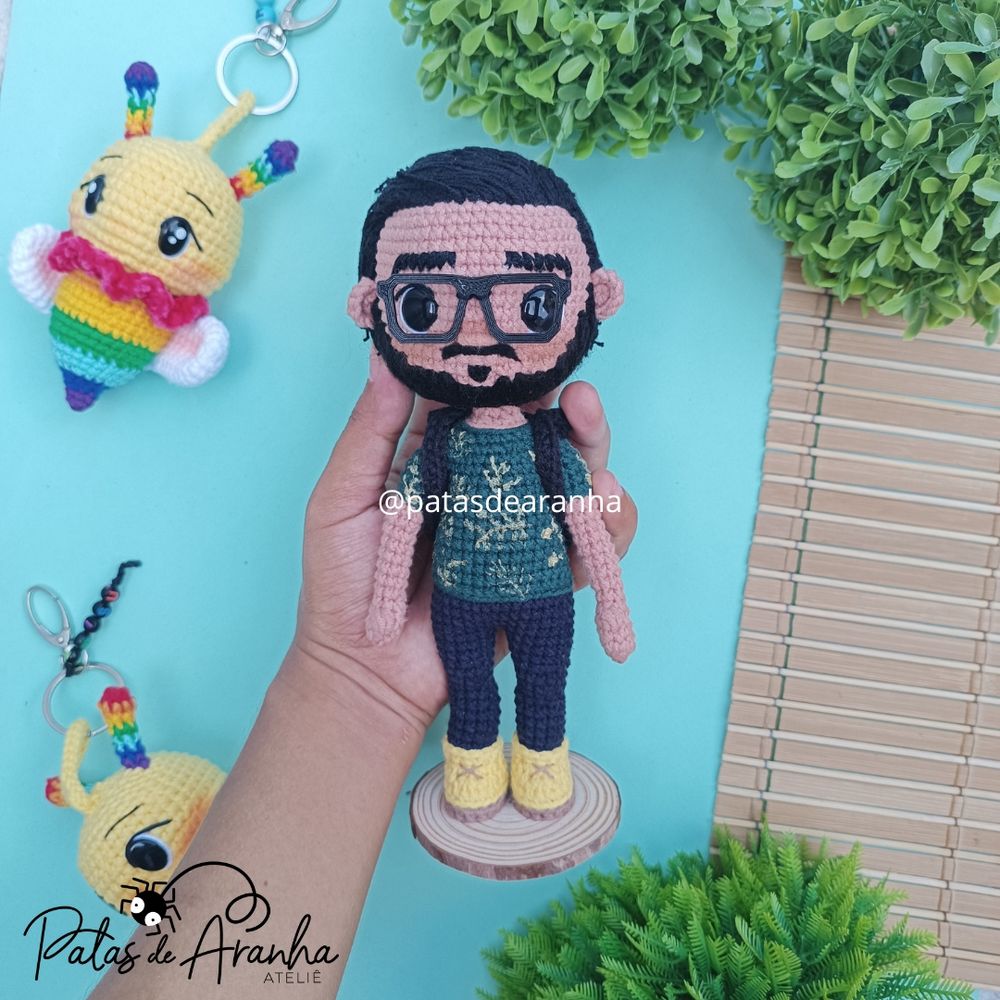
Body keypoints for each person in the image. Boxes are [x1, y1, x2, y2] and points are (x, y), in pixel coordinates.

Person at [87, 356, 637, 998]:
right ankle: (476, 774)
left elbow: (587, 523)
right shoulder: (444, 444)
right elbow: (403, 521)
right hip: (458, 598)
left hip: (541, 597)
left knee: (543, 693)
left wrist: (612, 605)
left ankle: (543, 770)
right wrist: (378, 611)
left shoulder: (546, 443)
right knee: (472, 697)